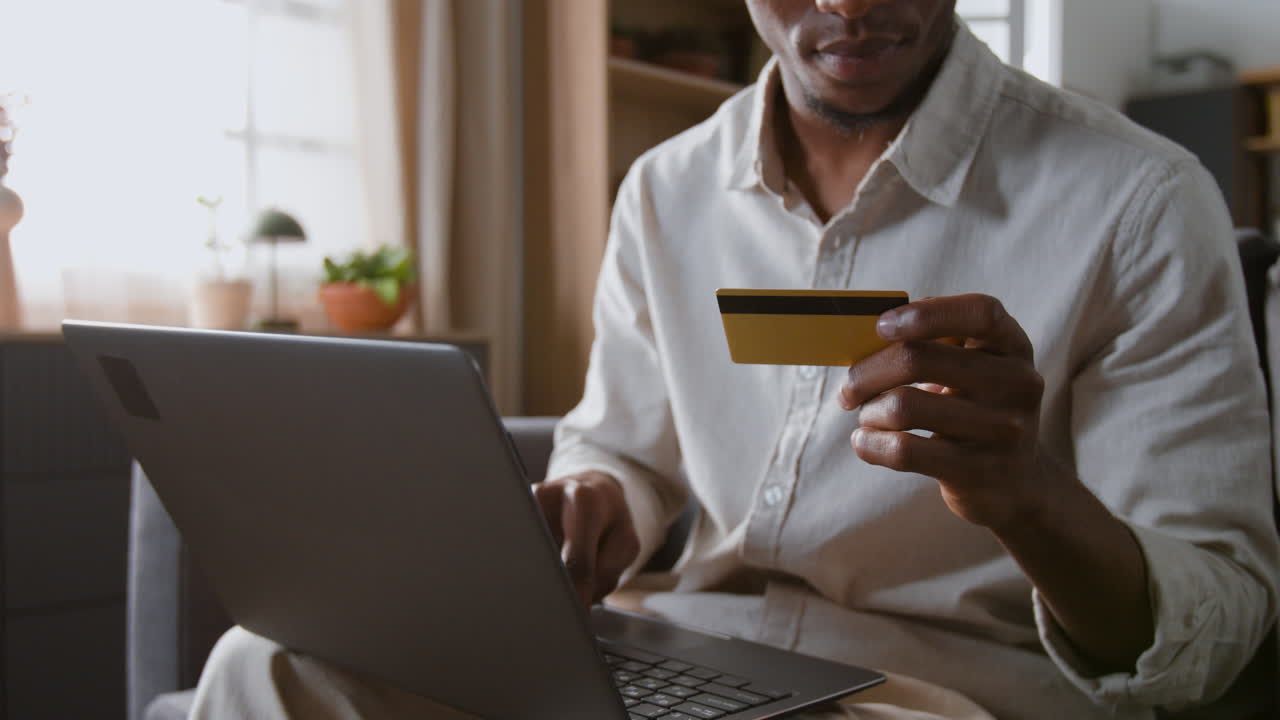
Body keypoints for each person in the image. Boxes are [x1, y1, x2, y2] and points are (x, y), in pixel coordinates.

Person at [191, 1, 1279, 718]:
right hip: (684, 649)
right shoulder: (665, 188)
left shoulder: (1138, 201)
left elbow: (1212, 632)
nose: (846, 2)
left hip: (939, 692)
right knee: (262, 662)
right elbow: (621, 442)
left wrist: (1028, 498)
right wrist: (596, 499)